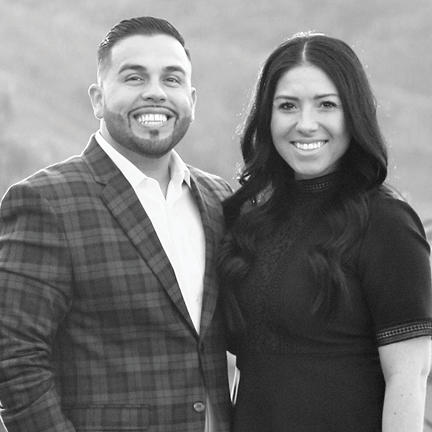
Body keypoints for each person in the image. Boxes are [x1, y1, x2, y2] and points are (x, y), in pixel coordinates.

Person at [0, 16, 232, 432]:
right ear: (98, 98)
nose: (156, 92)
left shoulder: (219, 199)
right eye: (134, 77)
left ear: (191, 99)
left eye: (172, 79)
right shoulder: (45, 202)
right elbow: (14, 357)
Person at [217, 32, 432, 431]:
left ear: (354, 115)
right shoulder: (248, 220)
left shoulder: (386, 223)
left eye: (326, 105)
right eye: (287, 106)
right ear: (266, 117)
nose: (305, 124)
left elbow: (409, 376)